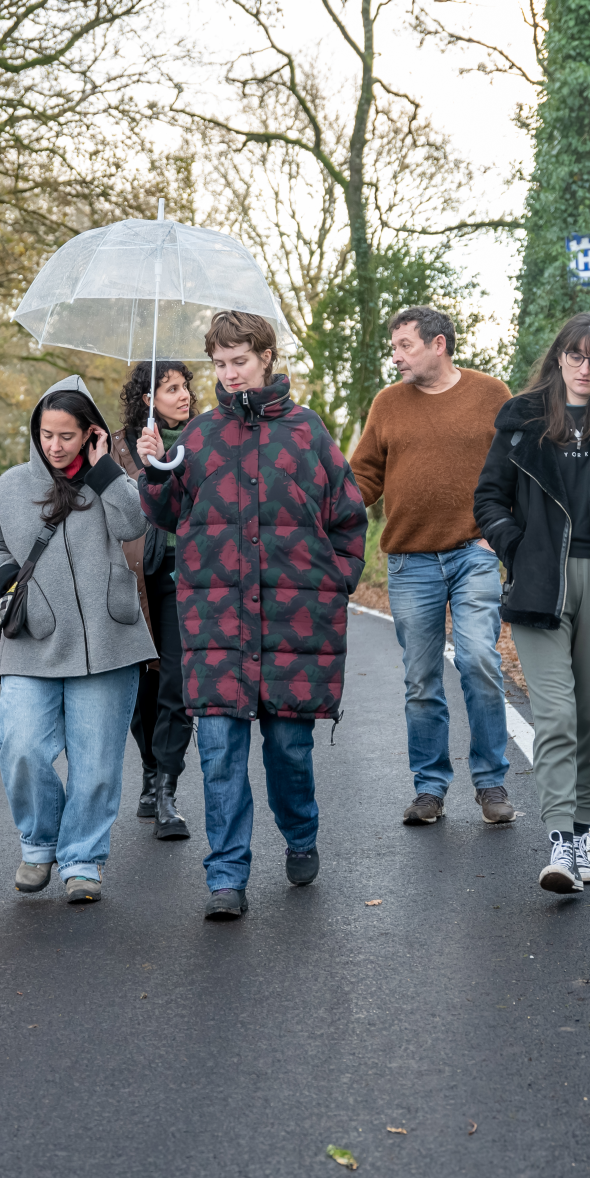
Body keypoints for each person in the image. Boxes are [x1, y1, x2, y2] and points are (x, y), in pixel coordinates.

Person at [137, 311, 367, 920]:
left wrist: (336, 583)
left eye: (239, 361)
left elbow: (348, 517)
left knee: (289, 750)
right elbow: (165, 515)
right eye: (219, 363)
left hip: (295, 623)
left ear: (266, 357)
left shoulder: (307, 432)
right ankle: (227, 876)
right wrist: (155, 468)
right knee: (219, 753)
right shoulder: (200, 436)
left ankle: (300, 835)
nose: (229, 373)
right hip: (215, 623)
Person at [473, 313, 590, 895]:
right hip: (540, 585)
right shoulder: (522, 417)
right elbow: (488, 497)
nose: (585, 369)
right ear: (558, 358)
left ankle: (580, 832)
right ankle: (560, 842)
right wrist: (519, 546)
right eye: (576, 356)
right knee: (554, 716)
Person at [0, 377, 159, 904]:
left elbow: (134, 526)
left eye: (67, 435)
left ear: (90, 433)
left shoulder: (112, 480)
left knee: (97, 762)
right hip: (33, 639)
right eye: (46, 434)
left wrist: (107, 472)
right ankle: (38, 844)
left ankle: (82, 860)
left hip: (111, 639)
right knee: (22, 746)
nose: (55, 445)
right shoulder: (10, 486)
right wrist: (6, 575)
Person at [350, 306, 516, 828]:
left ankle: (490, 781)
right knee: (421, 680)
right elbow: (363, 477)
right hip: (409, 561)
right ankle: (430, 789)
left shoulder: (492, 394)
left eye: (404, 345)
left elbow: (521, 466)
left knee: (478, 662)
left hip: (475, 553)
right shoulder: (388, 403)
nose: (395, 356)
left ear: (438, 344)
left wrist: (504, 534)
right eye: (394, 346)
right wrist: (317, 508)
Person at [112, 358, 195, 840]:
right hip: (133, 580)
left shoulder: (201, 438)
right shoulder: (119, 445)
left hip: (182, 574)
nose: (182, 396)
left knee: (177, 684)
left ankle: (166, 789)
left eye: (184, 387)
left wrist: (167, 461)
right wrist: (144, 463)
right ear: (148, 399)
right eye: (170, 389)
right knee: (142, 688)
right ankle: (148, 766)